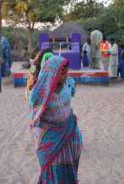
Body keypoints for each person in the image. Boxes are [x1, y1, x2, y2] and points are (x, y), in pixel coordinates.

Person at [29, 56, 82, 184]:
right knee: (54, 175)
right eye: (61, 72)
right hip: (52, 143)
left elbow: (67, 108)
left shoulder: (65, 87)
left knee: (67, 176)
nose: (64, 75)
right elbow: (34, 121)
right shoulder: (39, 93)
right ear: (52, 72)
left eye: (66, 71)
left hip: (70, 140)